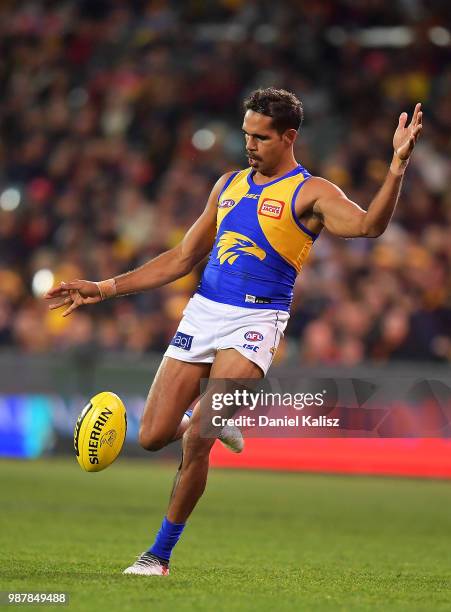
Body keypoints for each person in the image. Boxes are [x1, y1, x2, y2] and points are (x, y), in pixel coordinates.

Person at [45, 88, 422, 575]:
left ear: (288, 137)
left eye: (260, 137)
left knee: (197, 437)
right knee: (155, 435)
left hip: (256, 322)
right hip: (204, 313)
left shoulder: (312, 193)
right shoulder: (228, 185)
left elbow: (370, 225)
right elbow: (182, 259)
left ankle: (157, 556)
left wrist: (396, 165)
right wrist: (104, 287)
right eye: (245, 134)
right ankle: (217, 417)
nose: (249, 145)